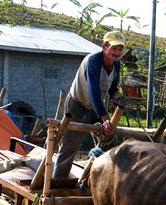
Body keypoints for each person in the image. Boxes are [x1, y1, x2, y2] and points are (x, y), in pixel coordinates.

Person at [52, 31, 126, 178]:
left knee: (109, 140)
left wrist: (115, 96)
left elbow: (112, 87)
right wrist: (105, 118)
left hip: (96, 107)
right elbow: (93, 91)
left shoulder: (116, 65)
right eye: (114, 48)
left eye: (120, 49)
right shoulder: (93, 61)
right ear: (104, 46)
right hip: (77, 105)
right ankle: (57, 184)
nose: (117, 53)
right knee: (70, 146)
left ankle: (104, 180)